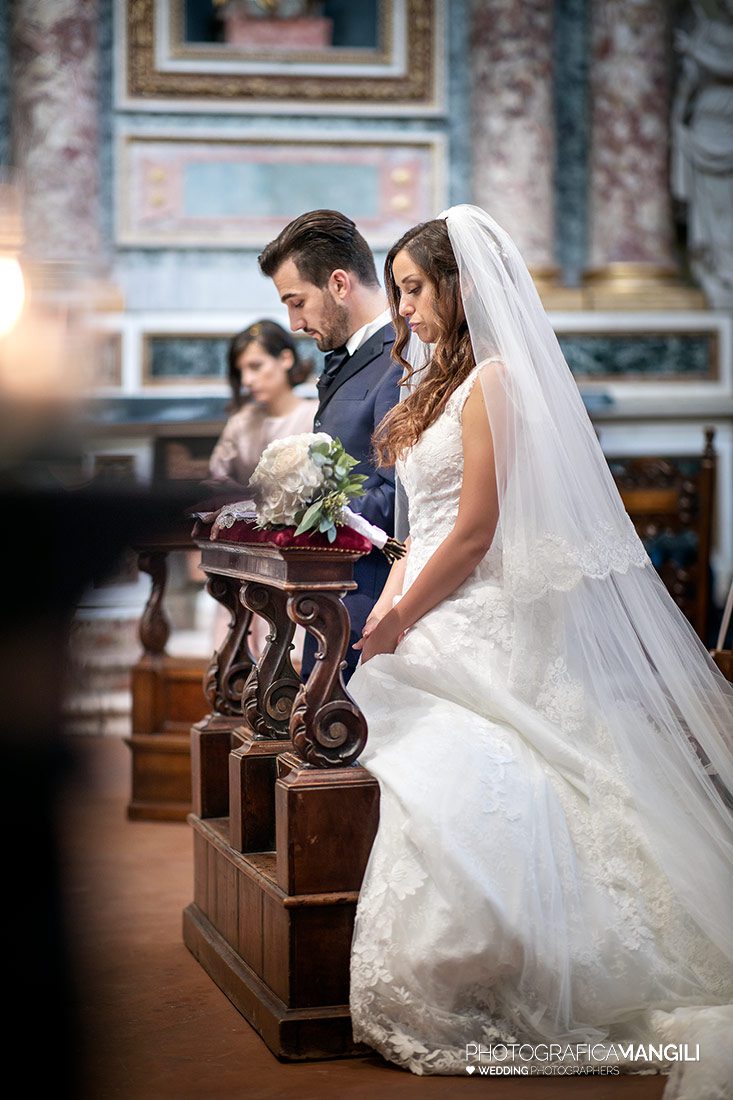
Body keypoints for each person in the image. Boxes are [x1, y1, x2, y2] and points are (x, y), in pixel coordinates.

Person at [345, 205, 733, 1097]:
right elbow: (429, 525)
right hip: (427, 595)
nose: (401, 310)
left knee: (475, 760)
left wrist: (403, 620)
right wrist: (396, 597)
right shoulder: (438, 382)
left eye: (412, 289)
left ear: (462, 284)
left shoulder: (498, 380)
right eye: (397, 291)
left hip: (473, 605)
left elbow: (476, 529)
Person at [258, 210, 402, 681]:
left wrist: (308, 509)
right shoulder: (354, 355)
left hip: (372, 597)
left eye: (296, 302)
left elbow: (399, 495)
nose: (294, 322)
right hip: (333, 592)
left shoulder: (401, 357)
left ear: (339, 284)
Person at [207, 319, 317, 661]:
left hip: (294, 558)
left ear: (285, 359)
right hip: (241, 558)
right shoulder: (242, 422)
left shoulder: (313, 416)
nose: (249, 380)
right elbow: (216, 479)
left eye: (256, 366)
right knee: (232, 652)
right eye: (242, 372)